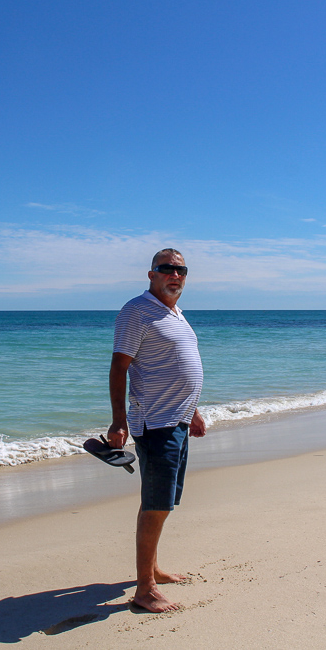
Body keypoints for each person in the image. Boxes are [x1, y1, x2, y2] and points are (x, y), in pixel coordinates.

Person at [107, 248, 206, 613]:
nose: (175, 275)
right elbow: (119, 369)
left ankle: (153, 569)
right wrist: (119, 422)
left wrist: (192, 411)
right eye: (167, 269)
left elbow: (177, 365)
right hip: (156, 423)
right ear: (151, 275)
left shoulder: (175, 313)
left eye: (181, 270)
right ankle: (144, 588)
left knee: (164, 502)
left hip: (177, 419)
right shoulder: (136, 311)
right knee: (155, 503)